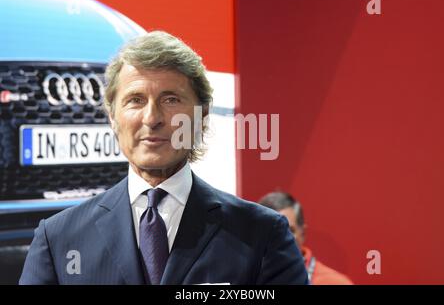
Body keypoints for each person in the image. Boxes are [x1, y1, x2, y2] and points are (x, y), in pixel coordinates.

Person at [19, 31, 308, 285]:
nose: (152, 118)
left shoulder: (262, 235)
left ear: (202, 115)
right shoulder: (58, 239)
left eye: (171, 99)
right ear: (112, 117)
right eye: (135, 100)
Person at [259, 192, 353, 285]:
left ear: (302, 233)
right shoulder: (246, 279)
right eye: (268, 232)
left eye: (287, 231)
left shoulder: (335, 283)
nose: (277, 240)